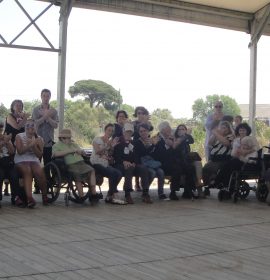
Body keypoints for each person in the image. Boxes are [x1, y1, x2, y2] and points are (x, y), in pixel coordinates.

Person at [52, 129, 99, 203]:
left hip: (81, 162)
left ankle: (94, 193)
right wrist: (70, 151)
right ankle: (81, 196)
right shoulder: (57, 145)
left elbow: (82, 152)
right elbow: (55, 154)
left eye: (69, 138)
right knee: (78, 175)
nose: (69, 139)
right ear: (61, 138)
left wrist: (82, 152)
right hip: (71, 164)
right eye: (67, 138)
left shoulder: (74, 144)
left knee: (92, 170)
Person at [14, 119, 50, 208]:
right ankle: (30, 198)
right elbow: (20, 151)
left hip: (34, 160)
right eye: (27, 125)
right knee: (27, 170)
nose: (30, 127)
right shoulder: (19, 136)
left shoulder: (40, 138)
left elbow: (39, 155)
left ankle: (44, 196)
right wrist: (30, 145)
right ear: (25, 127)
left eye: (32, 125)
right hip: (21, 159)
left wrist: (34, 146)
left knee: (39, 171)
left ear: (36, 127)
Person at [113, 122, 152, 204]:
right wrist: (124, 161)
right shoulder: (118, 141)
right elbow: (116, 156)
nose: (128, 133)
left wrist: (134, 162)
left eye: (130, 132)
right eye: (127, 131)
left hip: (132, 164)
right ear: (123, 131)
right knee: (129, 168)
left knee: (143, 168)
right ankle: (127, 194)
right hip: (121, 164)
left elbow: (136, 155)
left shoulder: (133, 142)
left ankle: (145, 193)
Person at [32, 89, 59, 193]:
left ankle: (47, 186)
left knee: (48, 164)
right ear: (41, 96)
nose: (46, 98)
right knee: (36, 164)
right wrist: (45, 116)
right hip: (37, 140)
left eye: (47, 96)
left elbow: (55, 125)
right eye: (44, 96)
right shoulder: (35, 109)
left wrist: (47, 117)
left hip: (49, 141)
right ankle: (36, 186)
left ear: (50, 97)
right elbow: (35, 124)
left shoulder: (54, 111)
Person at [91, 123, 125, 204]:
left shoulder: (110, 142)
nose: (110, 132)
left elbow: (109, 154)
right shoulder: (97, 139)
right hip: (96, 163)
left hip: (105, 164)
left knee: (119, 173)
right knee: (112, 174)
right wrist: (107, 145)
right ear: (105, 130)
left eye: (112, 131)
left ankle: (109, 195)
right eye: (109, 130)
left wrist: (112, 147)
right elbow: (97, 151)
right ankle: (114, 194)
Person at [151, 121, 185, 200]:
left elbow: (176, 152)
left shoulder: (171, 137)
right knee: (177, 168)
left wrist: (173, 144)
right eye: (168, 128)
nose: (170, 129)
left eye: (169, 128)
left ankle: (188, 191)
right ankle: (173, 192)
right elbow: (158, 155)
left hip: (172, 161)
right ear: (162, 130)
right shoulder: (157, 138)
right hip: (161, 163)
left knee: (187, 167)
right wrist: (169, 146)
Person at [133, 123, 167, 199]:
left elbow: (158, 154)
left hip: (152, 163)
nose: (143, 133)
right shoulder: (137, 142)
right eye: (141, 131)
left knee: (161, 172)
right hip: (143, 163)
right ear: (139, 133)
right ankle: (145, 191)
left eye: (144, 131)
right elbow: (143, 153)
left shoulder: (152, 140)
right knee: (152, 172)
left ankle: (161, 193)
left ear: (148, 131)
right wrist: (153, 145)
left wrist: (157, 144)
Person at [202, 120, 235, 193]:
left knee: (215, 169)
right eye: (222, 128)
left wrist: (216, 133)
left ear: (229, 129)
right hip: (214, 159)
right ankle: (207, 185)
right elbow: (210, 143)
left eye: (225, 128)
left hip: (224, 159)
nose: (223, 129)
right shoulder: (218, 136)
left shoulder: (231, 136)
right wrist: (215, 134)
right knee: (205, 169)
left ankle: (216, 182)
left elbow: (226, 143)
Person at [0, 120, 25, 207]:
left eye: (1, 127)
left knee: (14, 175)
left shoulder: (5, 137)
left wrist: (7, 142)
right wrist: (3, 143)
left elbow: (12, 151)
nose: (0, 129)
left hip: (7, 161)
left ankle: (16, 197)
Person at [174, 124, 204, 197]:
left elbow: (192, 141)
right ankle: (194, 189)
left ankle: (199, 182)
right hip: (179, 159)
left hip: (188, 159)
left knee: (198, 163)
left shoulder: (187, 138)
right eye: (179, 129)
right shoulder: (175, 138)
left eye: (183, 129)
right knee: (194, 157)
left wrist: (186, 135)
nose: (181, 131)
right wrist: (184, 136)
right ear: (177, 131)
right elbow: (176, 148)